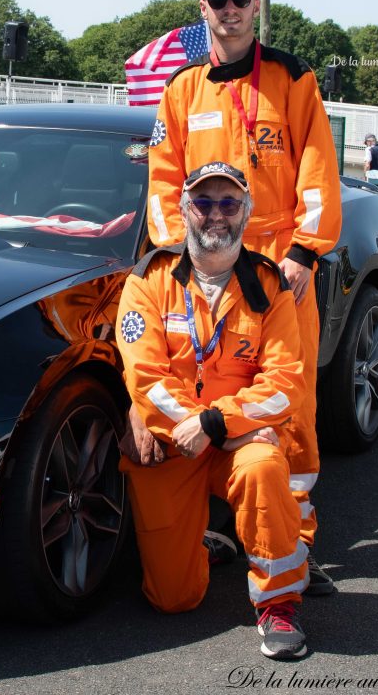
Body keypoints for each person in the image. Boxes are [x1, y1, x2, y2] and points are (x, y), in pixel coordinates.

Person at [142, 0, 342, 596]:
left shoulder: (292, 78)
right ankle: (205, 530)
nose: (228, 9)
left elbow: (317, 165)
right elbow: (164, 180)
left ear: (256, 7)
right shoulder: (181, 90)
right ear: (203, 10)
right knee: (200, 389)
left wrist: (304, 255)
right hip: (206, 259)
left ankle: (294, 547)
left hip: (279, 265)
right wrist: (178, 256)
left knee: (290, 411)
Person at [117, 161, 310, 659]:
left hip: (232, 440)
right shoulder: (148, 279)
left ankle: (279, 604)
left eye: (229, 203)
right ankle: (205, 541)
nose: (215, 215)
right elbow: (144, 377)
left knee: (265, 467)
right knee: (173, 600)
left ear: (247, 212)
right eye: (203, 203)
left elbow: (286, 381)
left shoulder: (269, 285)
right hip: (171, 442)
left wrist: (216, 424)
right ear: (184, 210)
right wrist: (190, 425)